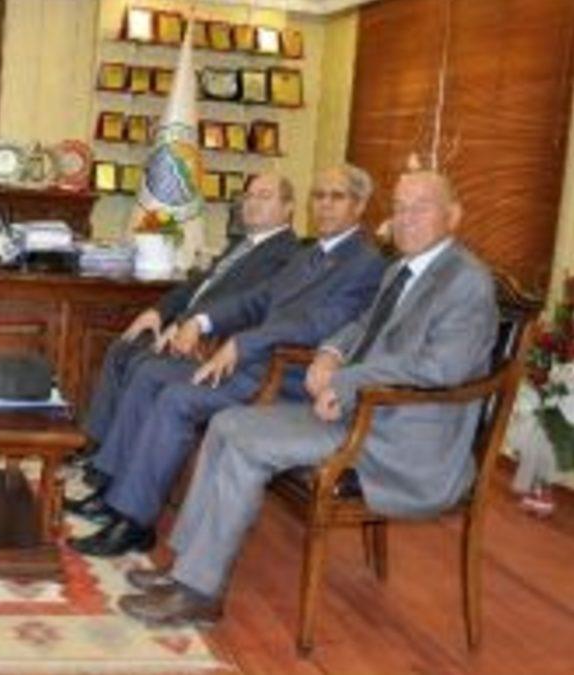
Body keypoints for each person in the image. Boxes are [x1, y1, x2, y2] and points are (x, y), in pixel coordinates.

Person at [118, 171, 498, 627]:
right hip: (363, 413)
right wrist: (331, 353)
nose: (406, 218)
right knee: (226, 424)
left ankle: (200, 593)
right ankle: (186, 569)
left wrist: (348, 380)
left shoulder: (466, 281)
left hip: (402, 438)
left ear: (453, 216)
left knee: (248, 445)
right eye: (399, 207)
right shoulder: (402, 269)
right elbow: (362, 327)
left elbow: (443, 368)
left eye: (421, 207)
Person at [68, 165, 387, 557]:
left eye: (336, 197)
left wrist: (242, 342)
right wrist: (200, 321)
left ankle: (134, 522)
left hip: (290, 379)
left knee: (176, 397)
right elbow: (255, 301)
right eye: (319, 196)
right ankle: (116, 494)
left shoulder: (367, 263)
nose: (324, 205)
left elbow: (318, 324)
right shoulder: (308, 255)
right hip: (252, 364)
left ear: (360, 205)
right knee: (151, 374)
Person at [83, 172, 302, 451]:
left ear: (288, 207)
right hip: (188, 327)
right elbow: (199, 284)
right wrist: (159, 311)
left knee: (144, 367)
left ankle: (110, 465)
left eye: (265, 196)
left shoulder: (287, 254)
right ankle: (96, 447)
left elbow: (242, 305)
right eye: (248, 196)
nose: (253, 203)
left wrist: (186, 321)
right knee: (122, 348)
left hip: (212, 344)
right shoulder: (242, 243)